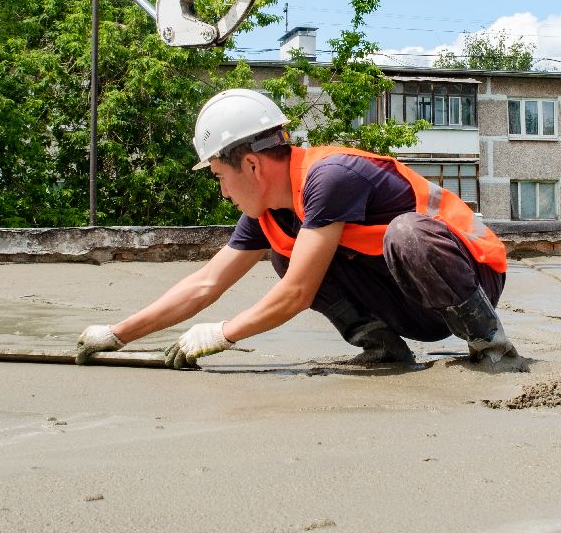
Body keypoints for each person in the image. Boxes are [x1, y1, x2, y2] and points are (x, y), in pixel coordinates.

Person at [75, 88, 524, 370]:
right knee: (284, 251)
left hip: (470, 279)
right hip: (412, 306)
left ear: (250, 164)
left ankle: (492, 348)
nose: (222, 191)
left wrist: (223, 334)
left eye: (218, 176)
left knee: (405, 232)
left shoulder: (331, 177)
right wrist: (117, 334)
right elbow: (206, 283)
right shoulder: (268, 213)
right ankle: (385, 348)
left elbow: (296, 293)